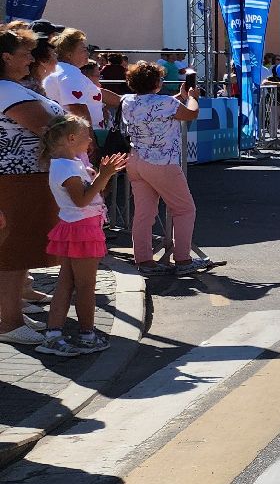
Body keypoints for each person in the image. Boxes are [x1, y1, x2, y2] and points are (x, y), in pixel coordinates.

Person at [30, 115, 126, 357]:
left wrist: (100, 176)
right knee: (85, 286)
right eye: (86, 136)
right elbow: (81, 200)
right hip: (82, 230)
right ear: (71, 138)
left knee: (66, 283)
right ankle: (87, 336)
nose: (90, 140)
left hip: (76, 227)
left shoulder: (69, 164)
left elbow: (87, 194)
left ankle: (54, 335)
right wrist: (104, 175)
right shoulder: (66, 167)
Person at [121, 61, 215, 274]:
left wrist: (181, 97)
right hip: (161, 162)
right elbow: (190, 113)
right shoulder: (165, 102)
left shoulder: (128, 100)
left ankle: (144, 260)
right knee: (184, 209)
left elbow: (152, 108)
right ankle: (183, 260)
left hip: (135, 160)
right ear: (156, 82)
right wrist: (192, 97)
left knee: (143, 213)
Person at [0, 29, 64, 347]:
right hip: (15, 180)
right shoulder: (7, 91)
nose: (30, 59)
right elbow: (49, 128)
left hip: (24, 178)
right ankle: (9, 323)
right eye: (24, 53)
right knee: (12, 254)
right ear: (5, 57)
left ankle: (12, 315)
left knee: (18, 252)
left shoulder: (12, 88)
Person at [43, 28, 116, 127]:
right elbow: (78, 109)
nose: (88, 54)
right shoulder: (70, 73)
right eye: (84, 50)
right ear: (69, 54)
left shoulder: (60, 69)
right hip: (80, 132)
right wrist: (89, 135)